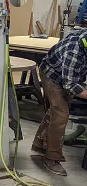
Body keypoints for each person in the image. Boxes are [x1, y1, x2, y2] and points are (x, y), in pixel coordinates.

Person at [31, 29, 87, 176]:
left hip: (69, 74)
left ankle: (39, 145)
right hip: (52, 74)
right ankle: (51, 158)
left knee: (55, 112)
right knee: (61, 113)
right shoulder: (74, 51)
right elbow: (70, 85)